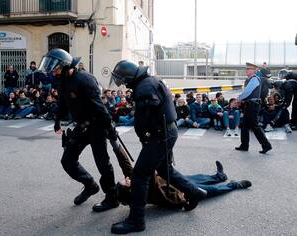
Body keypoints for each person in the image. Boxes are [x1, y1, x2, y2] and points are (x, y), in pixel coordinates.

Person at [109, 60, 207, 234]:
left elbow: (144, 120)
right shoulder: (150, 82)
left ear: (130, 77)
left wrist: (144, 139)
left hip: (160, 135)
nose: (123, 84)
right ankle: (194, 192)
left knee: (139, 175)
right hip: (166, 133)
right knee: (164, 169)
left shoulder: (145, 88)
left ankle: (136, 221)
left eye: (124, 80)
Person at [38, 48, 119, 211]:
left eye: (57, 69)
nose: (54, 72)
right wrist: (57, 120)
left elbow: (99, 106)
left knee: (103, 164)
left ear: (67, 66)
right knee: (67, 161)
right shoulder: (62, 80)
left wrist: (110, 127)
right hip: (81, 127)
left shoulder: (84, 79)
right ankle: (90, 185)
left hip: (97, 126)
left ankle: (112, 198)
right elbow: (62, 100)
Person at [116, 161, 252, 209]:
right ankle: (235, 185)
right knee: (212, 190)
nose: (128, 178)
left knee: (198, 177)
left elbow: (127, 167)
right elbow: (151, 176)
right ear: (129, 189)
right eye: (126, 181)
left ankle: (219, 176)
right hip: (179, 195)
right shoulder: (143, 193)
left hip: (171, 182)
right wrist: (152, 161)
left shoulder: (136, 185)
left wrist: (116, 146)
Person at [235, 62, 272, 154]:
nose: (247, 70)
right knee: (244, 126)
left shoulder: (254, 79)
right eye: (247, 69)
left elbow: (247, 92)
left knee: (254, 126)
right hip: (249, 104)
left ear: (255, 70)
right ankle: (244, 145)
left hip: (253, 105)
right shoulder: (250, 79)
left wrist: (238, 99)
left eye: (249, 69)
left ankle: (266, 145)